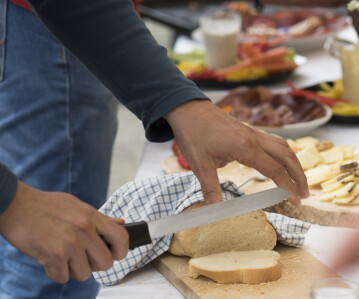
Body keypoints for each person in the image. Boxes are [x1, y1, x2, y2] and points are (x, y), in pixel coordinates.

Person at [0, 0, 309, 297]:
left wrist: (181, 103)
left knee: (73, 249)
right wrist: (12, 201)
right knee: (53, 266)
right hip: (48, 28)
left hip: (80, 20)